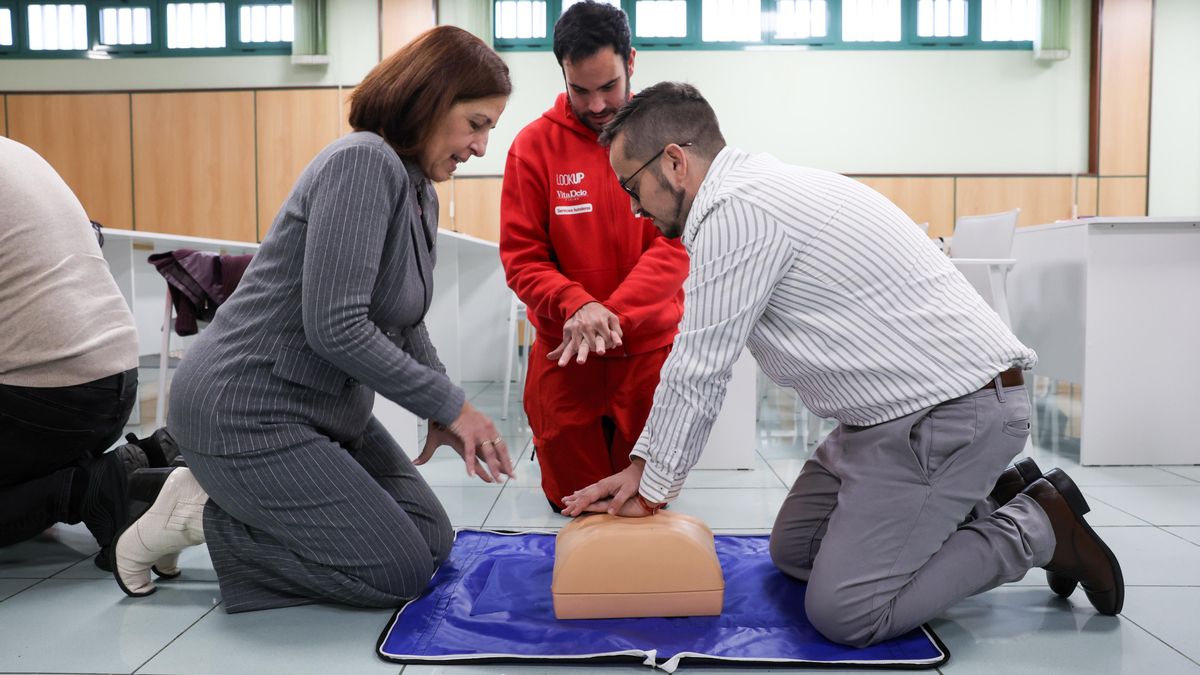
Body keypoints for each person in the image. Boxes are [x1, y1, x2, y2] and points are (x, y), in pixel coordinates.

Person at [562, 82, 1124, 647]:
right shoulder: (756, 186)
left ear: (675, 162)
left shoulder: (736, 210)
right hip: (888, 417)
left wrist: (650, 484)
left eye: (632, 187)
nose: (634, 207)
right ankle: (995, 495)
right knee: (794, 551)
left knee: (847, 613)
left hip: (952, 413)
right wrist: (647, 468)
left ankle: (1039, 526)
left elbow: (700, 366)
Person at [110, 26, 517, 612]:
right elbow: (337, 327)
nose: (481, 147)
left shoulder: (418, 187)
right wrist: (454, 405)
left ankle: (218, 499)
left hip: (319, 408)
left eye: (489, 131)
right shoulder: (361, 162)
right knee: (396, 572)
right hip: (245, 407)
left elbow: (405, 322)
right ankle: (201, 513)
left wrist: (439, 407)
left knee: (432, 542)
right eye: (476, 124)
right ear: (430, 99)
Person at [500, 1, 689, 512]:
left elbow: (675, 246)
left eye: (608, 86)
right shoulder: (533, 148)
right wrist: (575, 304)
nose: (598, 104)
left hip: (647, 361)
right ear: (561, 70)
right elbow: (522, 258)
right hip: (567, 364)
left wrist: (610, 315)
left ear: (631, 60)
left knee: (645, 506)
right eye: (580, 90)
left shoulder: (667, 142)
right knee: (575, 507)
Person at [0, 137, 154, 569]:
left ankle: (85, 490)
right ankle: (133, 465)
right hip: (115, 384)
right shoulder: (17, 151)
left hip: (49, 401)